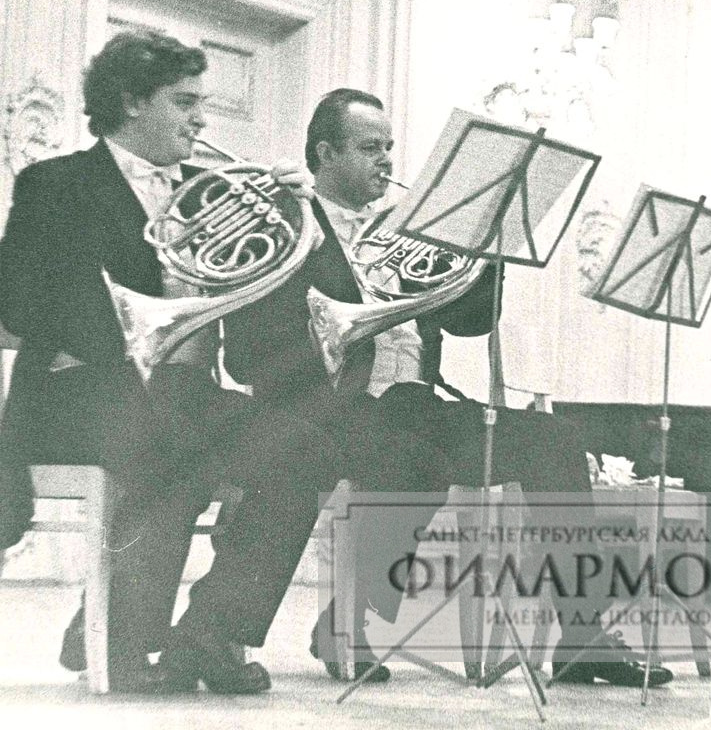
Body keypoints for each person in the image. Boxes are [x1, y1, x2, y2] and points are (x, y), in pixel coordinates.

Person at [192, 88, 671, 688]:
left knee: (553, 439)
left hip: (413, 401)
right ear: (325, 152)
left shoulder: (410, 227)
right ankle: (351, 623)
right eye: (370, 147)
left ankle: (582, 638)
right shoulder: (285, 218)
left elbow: (469, 323)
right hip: (324, 404)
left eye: (389, 146)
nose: (387, 160)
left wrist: (484, 246)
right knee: (414, 462)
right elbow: (247, 352)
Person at [0, 30, 313, 693]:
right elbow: (19, 304)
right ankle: (118, 639)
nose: (201, 121)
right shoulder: (56, 184)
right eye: (185, 102)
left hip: (182, 396)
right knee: (171, 439)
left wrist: (294, 216)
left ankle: (207, 637)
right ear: (131, 101)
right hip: (73, 393)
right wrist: (139, 316)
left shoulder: (213, 192)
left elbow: (263, 317)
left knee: (302, 449)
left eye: (202, 104)